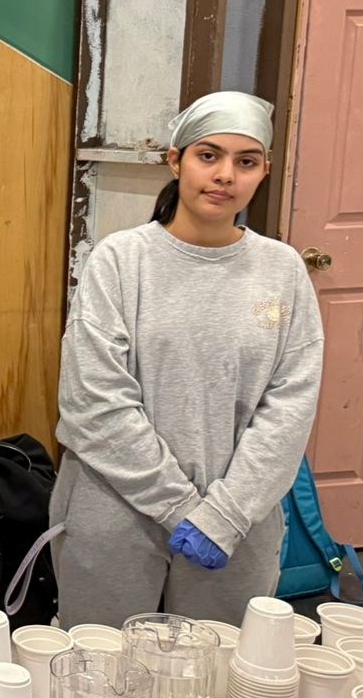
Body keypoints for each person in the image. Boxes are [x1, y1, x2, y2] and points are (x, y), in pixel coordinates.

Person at [50, 91, 323, 628]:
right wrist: (178, 508)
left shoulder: (282, 270)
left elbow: (290, 406)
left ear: (263, 172)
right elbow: (93, 401)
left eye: (245, 162)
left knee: (220, 691)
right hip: (114, 513)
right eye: (208, 155)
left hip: (237, 527)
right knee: (99, 681)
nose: (225, 175)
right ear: (175, 160)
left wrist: (224, 515)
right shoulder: (122, 262)